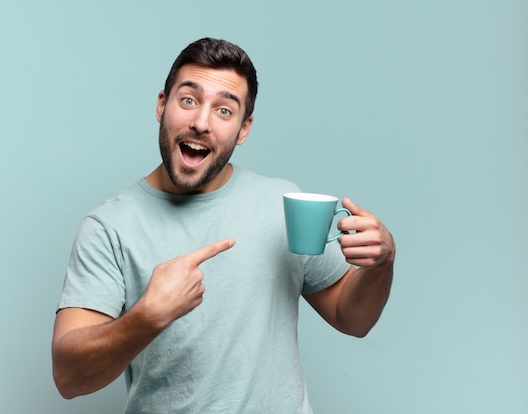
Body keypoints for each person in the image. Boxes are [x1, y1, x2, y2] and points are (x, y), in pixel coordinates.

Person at [52, 37, 395, 413]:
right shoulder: (109, 227)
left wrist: (381, 265)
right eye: (188, 100)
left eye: (224, 111)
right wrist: (149, 315)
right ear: (161, 105)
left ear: (244, 129)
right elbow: (69, 378)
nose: (201, 122)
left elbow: (352, 318)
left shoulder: (281, 205)